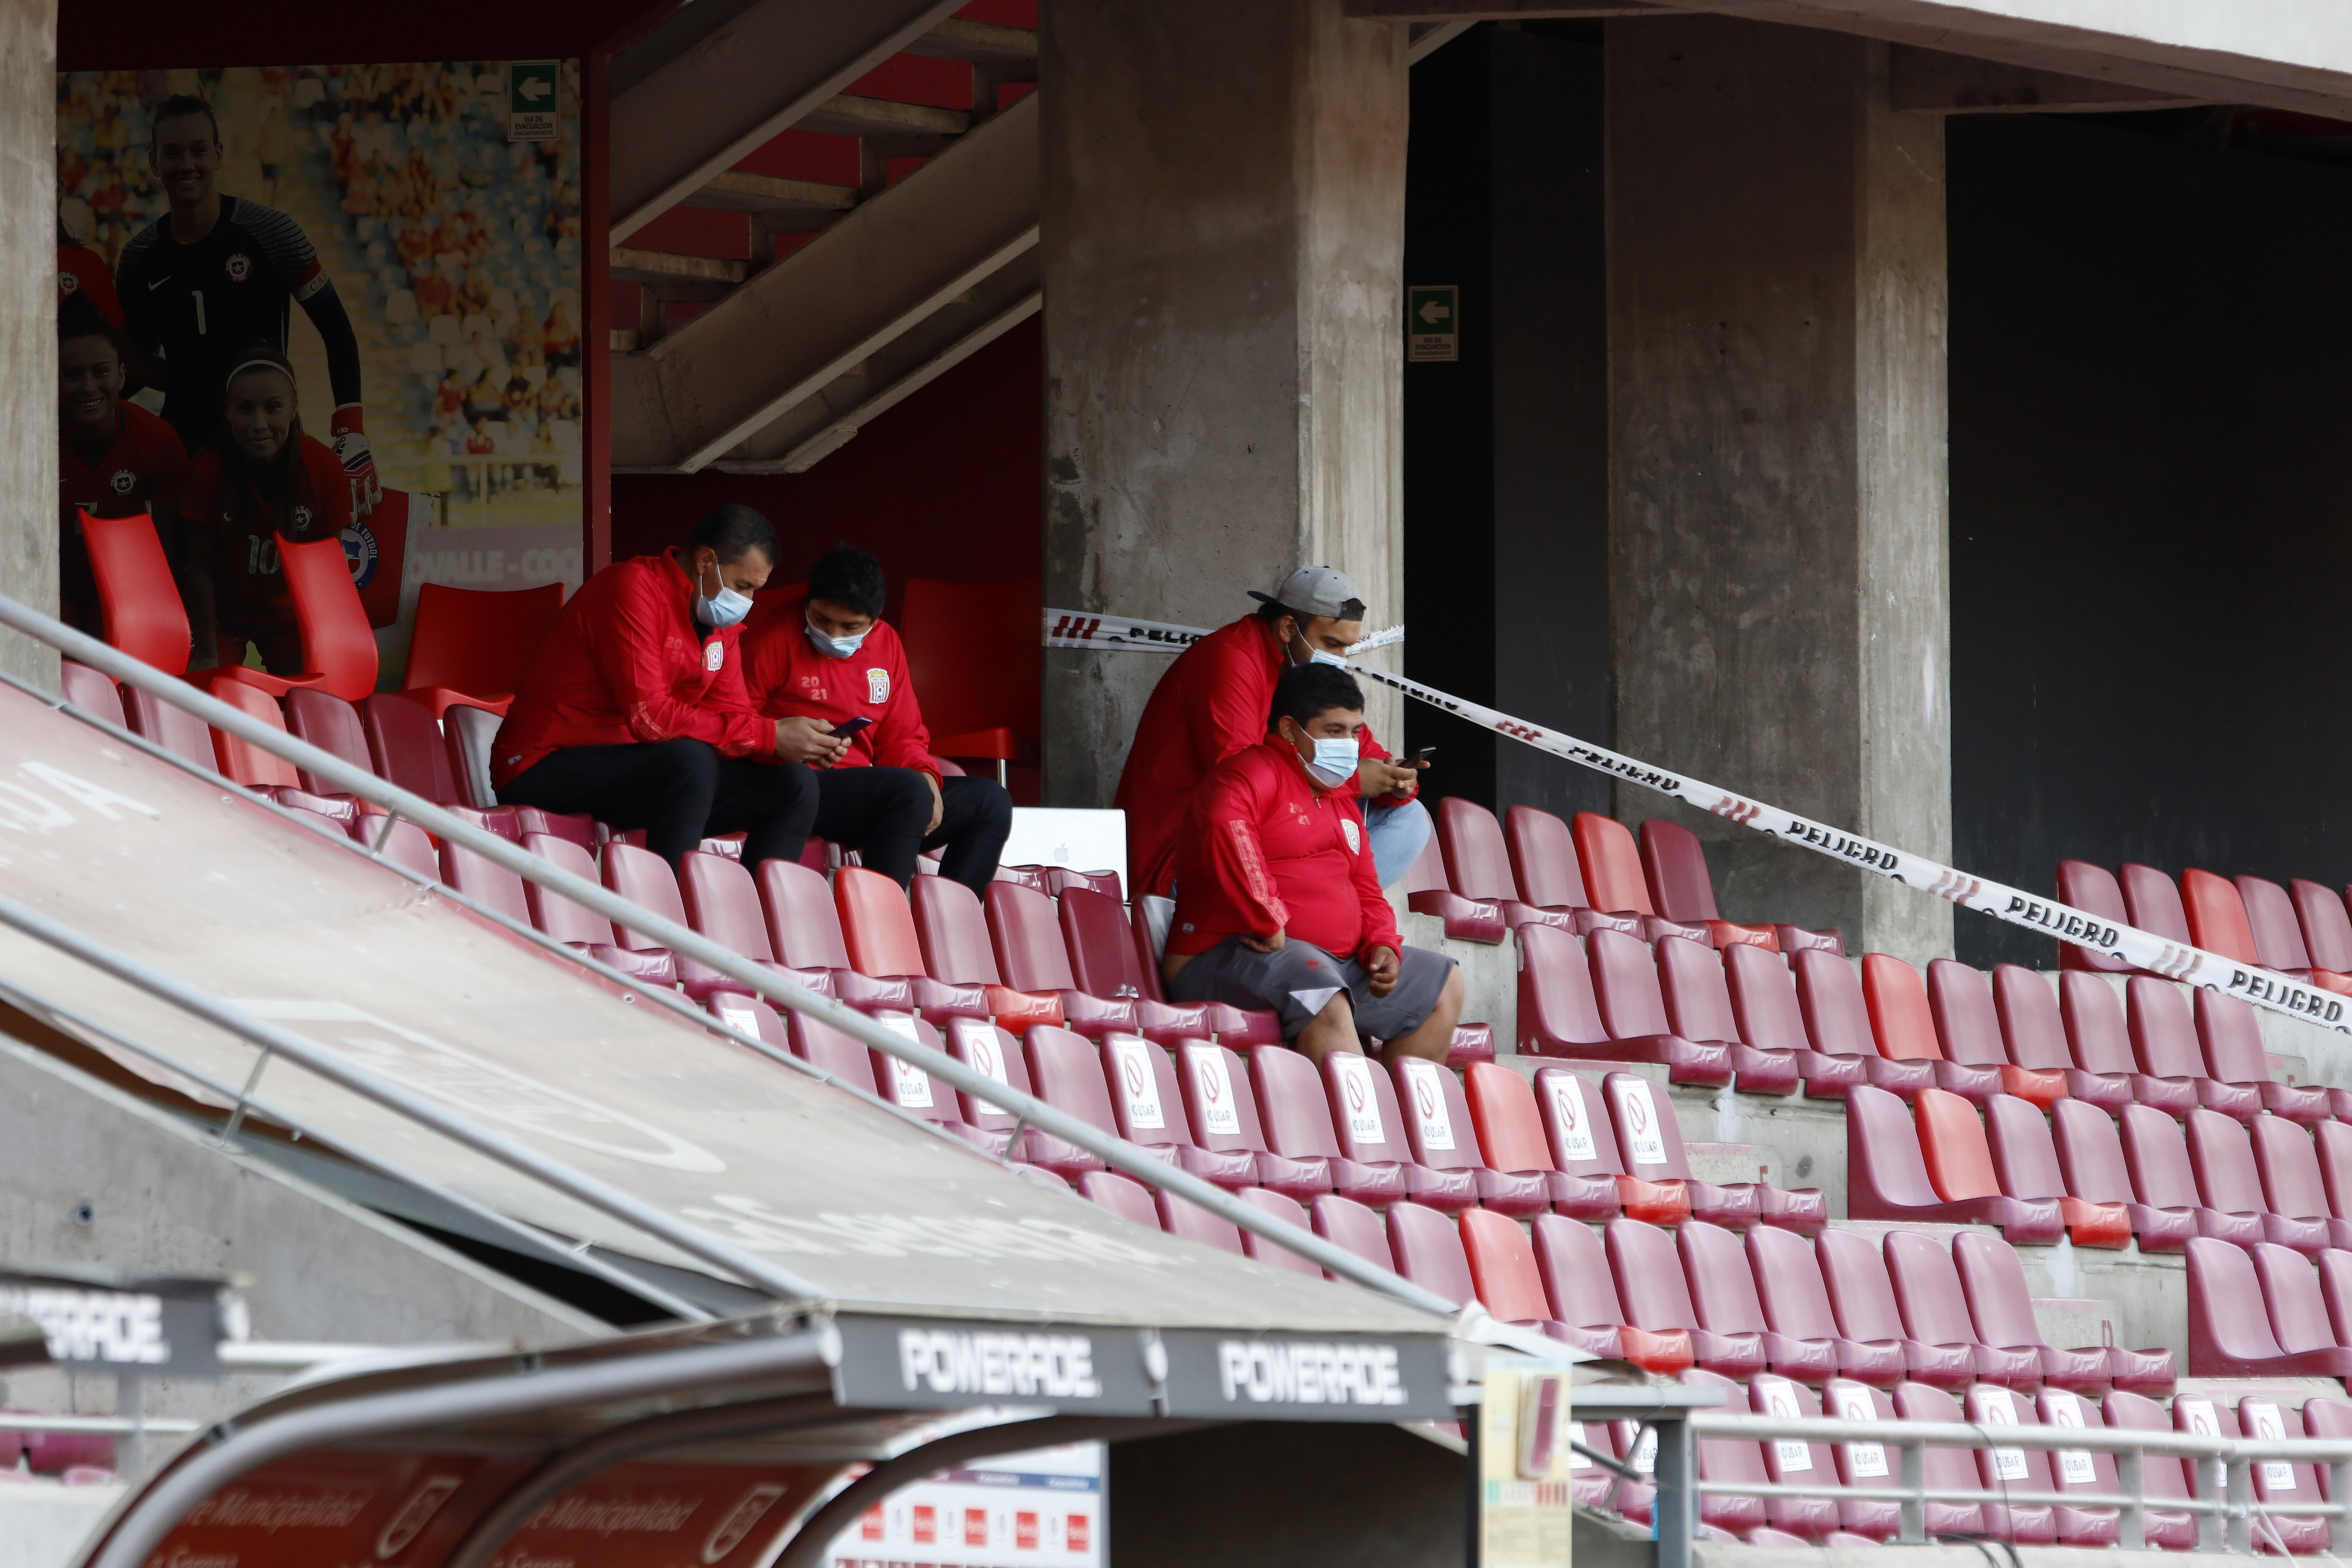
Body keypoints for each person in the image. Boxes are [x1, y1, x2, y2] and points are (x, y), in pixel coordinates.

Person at [1162, 663, 1463, 1065]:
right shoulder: (1249, 773)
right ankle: (1359, 1127)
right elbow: (1226, 826)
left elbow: (1366, 887)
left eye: (1355, 732)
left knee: (1442, 986)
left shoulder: (1339, 796)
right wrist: (1268, 918)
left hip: (1330, 964)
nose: (1350, 745)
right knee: (1323, 995)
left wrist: (1382, 944)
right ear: (1290, 730)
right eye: (1334, 731)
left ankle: (1403, 1123)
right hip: (1224, 954)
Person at [494, 505, 819, 870]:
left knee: (795, 785)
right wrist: (769, 735)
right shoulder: (632, 586)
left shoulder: (718, 621)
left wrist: (792, 744)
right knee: (690, 760)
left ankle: (762, 920)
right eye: (743, 586)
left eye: (756, 590)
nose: (748, 602)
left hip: (637, 772)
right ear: (706, 561)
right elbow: (651, 718)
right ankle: (671, 918)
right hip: (540, 765)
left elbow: (735, 718)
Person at [114, 94, 380, 518]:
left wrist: (351, 433)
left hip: (270, 443)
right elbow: (133, 361)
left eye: (200, 150)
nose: (188, 164)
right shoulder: (139, 257)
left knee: (278, 574)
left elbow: (338, 331)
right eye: (173, 153)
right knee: (190, 577)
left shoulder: (274, 233)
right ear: (154, 162)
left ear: (218, 154)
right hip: (183, 448)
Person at [1114, 565, 1429, 897]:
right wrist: (1352, 781)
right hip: (1187, 858)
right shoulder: (1231, 659)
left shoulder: (1307, 673)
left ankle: (1323, 918)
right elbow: (1236, 786)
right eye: (1332, 644)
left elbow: (1365, 749)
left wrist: (1395, 780)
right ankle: (1314, 919)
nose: (1340, 658)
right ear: (1289, 628)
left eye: (1346, 648)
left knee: (1410, 819)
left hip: (1271, 837)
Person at [740, 545, 1013, 896]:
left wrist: (926, 775)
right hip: (795, 789)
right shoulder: (771, 637)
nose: (834, 635)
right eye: (821, 620)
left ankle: (952, 928)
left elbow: (902, 738)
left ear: (876, 616)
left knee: (990, 802)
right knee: (906, 792)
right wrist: (781, 740)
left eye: (850, 626)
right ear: (808, 602)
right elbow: (734, 724)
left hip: (867, 795)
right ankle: (882, 924)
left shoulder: (887, 643)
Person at [178, 347, 350, 674]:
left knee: (313, 696)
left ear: (293, 409)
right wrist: (206, 654)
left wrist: (325, 647)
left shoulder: (324, 469)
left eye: (272, 408)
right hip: (223, 616)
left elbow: (327, 575)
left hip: (289, 618)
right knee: (210, 694)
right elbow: (199, 570)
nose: (259, 424)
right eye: (245, 409)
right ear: (228, 411)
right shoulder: (206, 471)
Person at [57, 293, 188, 638]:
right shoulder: (30, 444)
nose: (88, 388)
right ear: (53, 379)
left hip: (124, 594)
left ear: (121, 376)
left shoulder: (158, 440)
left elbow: (166, 562)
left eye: (100, 372)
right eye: (72, 375)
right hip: (50, 593)